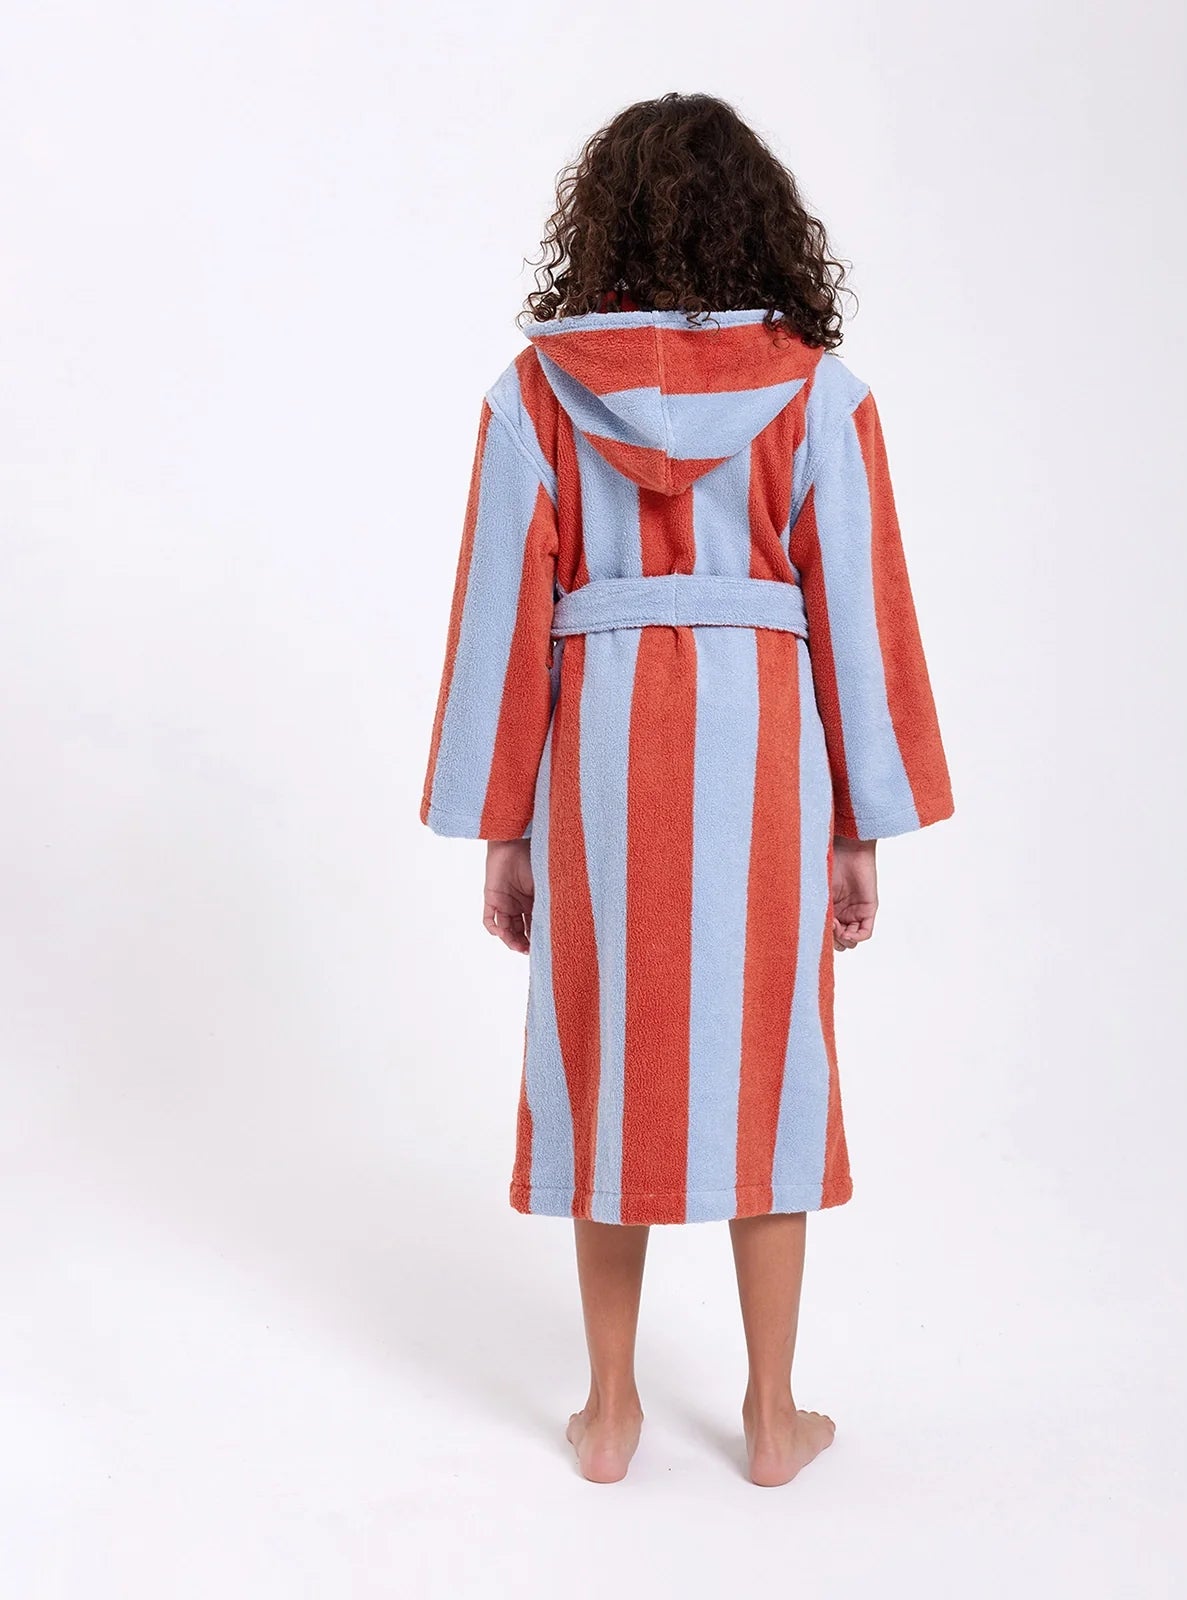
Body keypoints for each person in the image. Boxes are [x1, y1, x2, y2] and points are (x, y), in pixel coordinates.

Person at [419, 92, 954, 1487]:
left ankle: (609, 1415)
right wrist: (858, 826)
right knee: (769, 1060)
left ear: (601, 227)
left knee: (608, 1056)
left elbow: (501, 618)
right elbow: (858, 613)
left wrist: (504, 828)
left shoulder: (537, 394)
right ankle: (773, 1419)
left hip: (600, 751)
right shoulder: (820, 396)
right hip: (766, 749)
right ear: (763, 227)